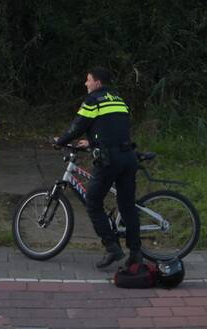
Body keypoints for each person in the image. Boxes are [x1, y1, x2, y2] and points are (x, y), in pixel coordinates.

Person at [53, 66, 141, 270]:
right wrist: (92, 143)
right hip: (128, 156)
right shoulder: (118, 99)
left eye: (88, 80)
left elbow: (78, 126)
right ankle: (136, 254)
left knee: (93, 202)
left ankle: (112, 247)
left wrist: (60, 141)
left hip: (110, 160)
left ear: (98, 83)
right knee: (127, 206)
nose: (86, 83)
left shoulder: (92, 100)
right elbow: (114, 128)